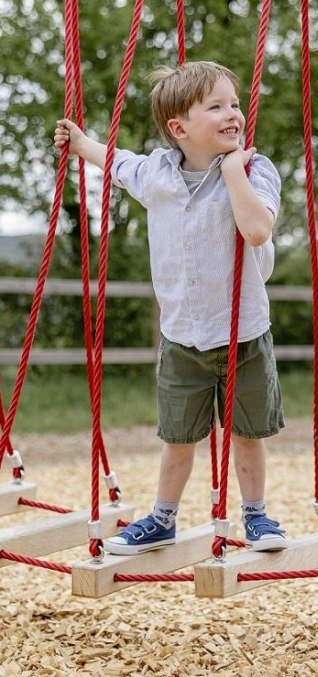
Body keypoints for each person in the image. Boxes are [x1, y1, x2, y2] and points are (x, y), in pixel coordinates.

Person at [54, 61, 287, 554]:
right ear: (180, 129)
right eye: (216, 106)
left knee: (246, 433)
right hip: (183, 335)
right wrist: (79, 144)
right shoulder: (156, 174)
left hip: (244, 332)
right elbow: (114, 159)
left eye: (235, 104)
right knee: (178, 437)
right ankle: (162, 519)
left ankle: (257, 517)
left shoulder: (253, 168)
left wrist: (230, 170)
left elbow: (258, 229)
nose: (233, 114)